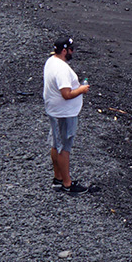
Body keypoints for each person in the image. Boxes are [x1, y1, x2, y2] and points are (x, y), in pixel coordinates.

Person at [43, 36, 89, 192]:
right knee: (64, 147)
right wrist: (82, 89)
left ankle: (58, 178)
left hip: (54, 111)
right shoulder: (62, 70)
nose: (72, 52)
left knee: (56, 144)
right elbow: (66, 94)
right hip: (64, 113)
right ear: (64, 51)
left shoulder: (51, 61)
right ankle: (67, 184)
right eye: (70, 50)